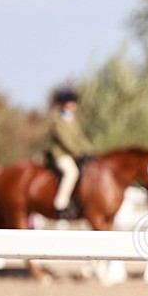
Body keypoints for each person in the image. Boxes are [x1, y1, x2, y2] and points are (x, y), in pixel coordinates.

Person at [46, 87, 94, 220]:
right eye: (69, 102)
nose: (71, 105)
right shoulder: (57, 121)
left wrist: (90, 151)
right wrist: (79, 152)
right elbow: (64, 140)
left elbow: (80, 138)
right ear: (63, 104)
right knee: (72, 172)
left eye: (73, 102)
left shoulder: (73, 120)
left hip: (75, 154)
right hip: (61, 154)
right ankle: (60, 204)